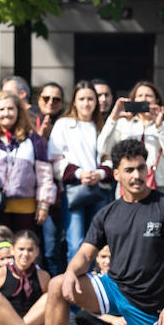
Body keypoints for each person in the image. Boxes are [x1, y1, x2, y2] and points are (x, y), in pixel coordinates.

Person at [18, 138, 164, 325]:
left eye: (141, 168)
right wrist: (71, 272)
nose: (136, 175)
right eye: (129, 170)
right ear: (116, 174)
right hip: (112, 288)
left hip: (148, 301)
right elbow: (84, 254)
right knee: (58, 284)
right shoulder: (108, 213)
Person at [0, 92, 55, 237]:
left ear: (19, 111)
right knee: (1, 250)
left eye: (11, 109)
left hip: (26, 207)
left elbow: (45, 174)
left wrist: (44, 204)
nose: (7, 113)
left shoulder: (33, 139)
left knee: (24, 251)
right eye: (1, 109)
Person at [49, 81, 112, 263]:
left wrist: (99, 173)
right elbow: (55, 158)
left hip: (100, 190)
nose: (86, 103)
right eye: (82, 99)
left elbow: (110, 157)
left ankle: (93, 287)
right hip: (74, 190)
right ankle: (75, 288)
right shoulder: (64, 124)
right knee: (76, 244)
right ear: (74, 102)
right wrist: (78, 174)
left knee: (97, 244)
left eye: (90, 99)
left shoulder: (102, 126)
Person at [99, 81, 164, 194]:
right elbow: (102, 149)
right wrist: (113, 117)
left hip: (159, 185)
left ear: (157, 100)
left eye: (148, 96)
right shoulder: (123, 124)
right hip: (127, 186)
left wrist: (160, 127)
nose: (144, 99)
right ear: (134, 100)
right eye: (140, 96)